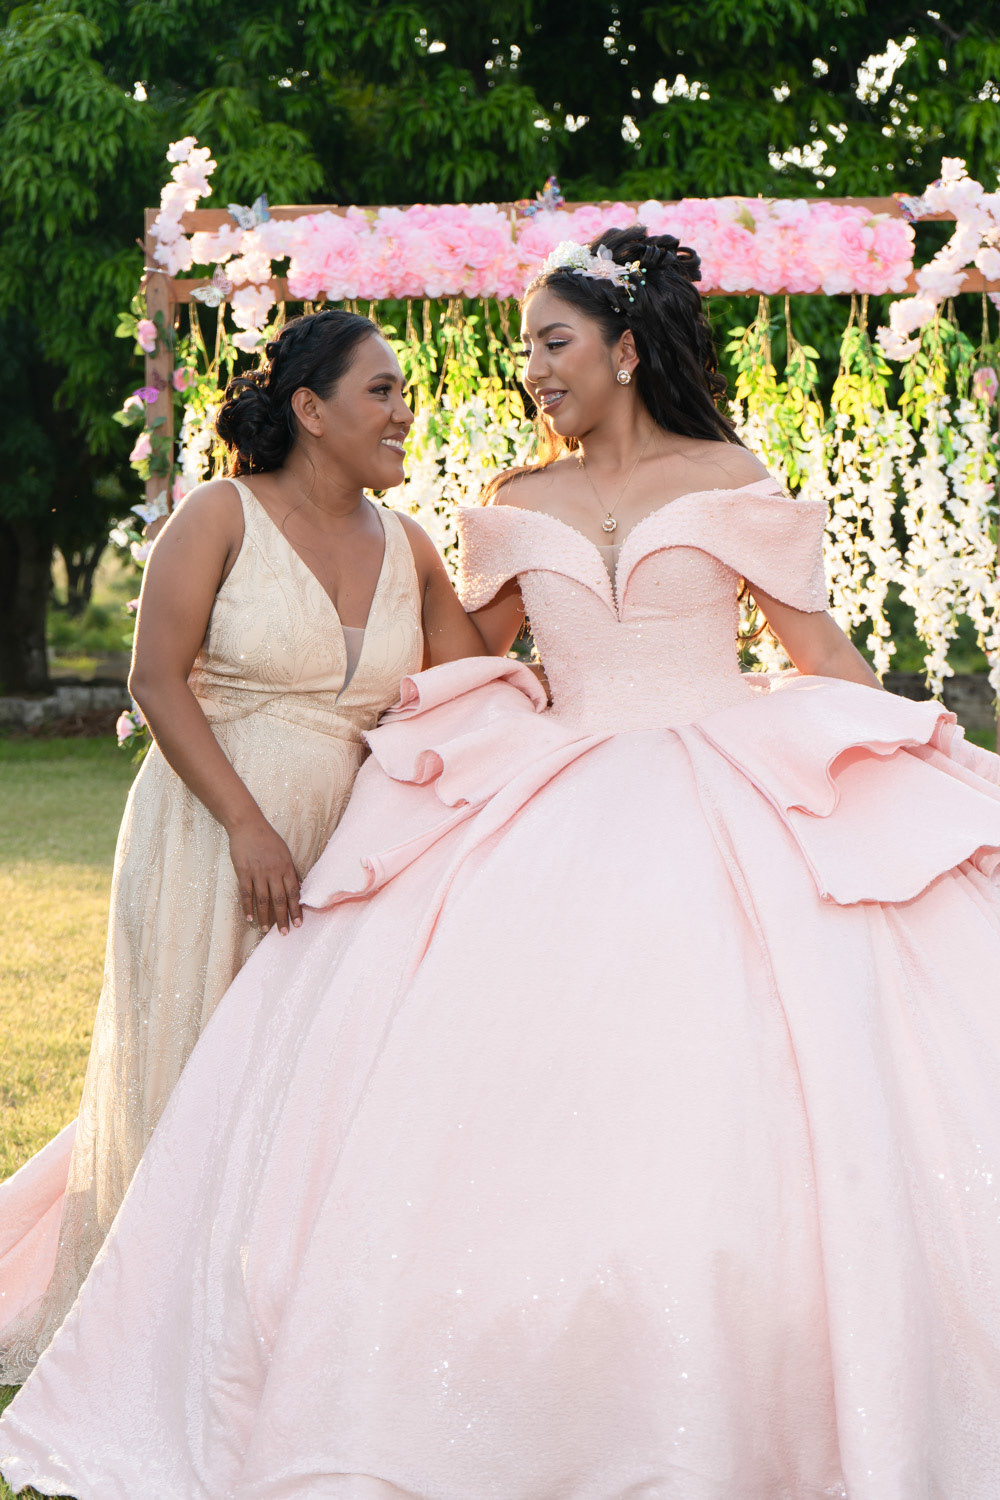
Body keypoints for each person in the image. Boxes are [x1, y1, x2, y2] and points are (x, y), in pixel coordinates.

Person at [3, 229, 1000, 1499]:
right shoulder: (515, 502)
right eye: (527, 345)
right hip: (554, 792)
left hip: (718, 779)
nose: (532, 368)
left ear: (625, 350)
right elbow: (458, 651)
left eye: (553, 341)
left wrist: (905, 751)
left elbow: (821, 654)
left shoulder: (733, 477)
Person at [0, 308, 484, 1385]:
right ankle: (151, 1322)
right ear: (310, 409)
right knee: (196, 1066)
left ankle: (268, 1328)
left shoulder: (409, 546)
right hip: (212, 833)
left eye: (403, 394)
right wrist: (247, 826)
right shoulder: (219, 514)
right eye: (381, 392)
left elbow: (475, 682)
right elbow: (156, 679)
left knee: (300, 1081)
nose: (404, 413)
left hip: (345, 852)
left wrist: (554, 557)